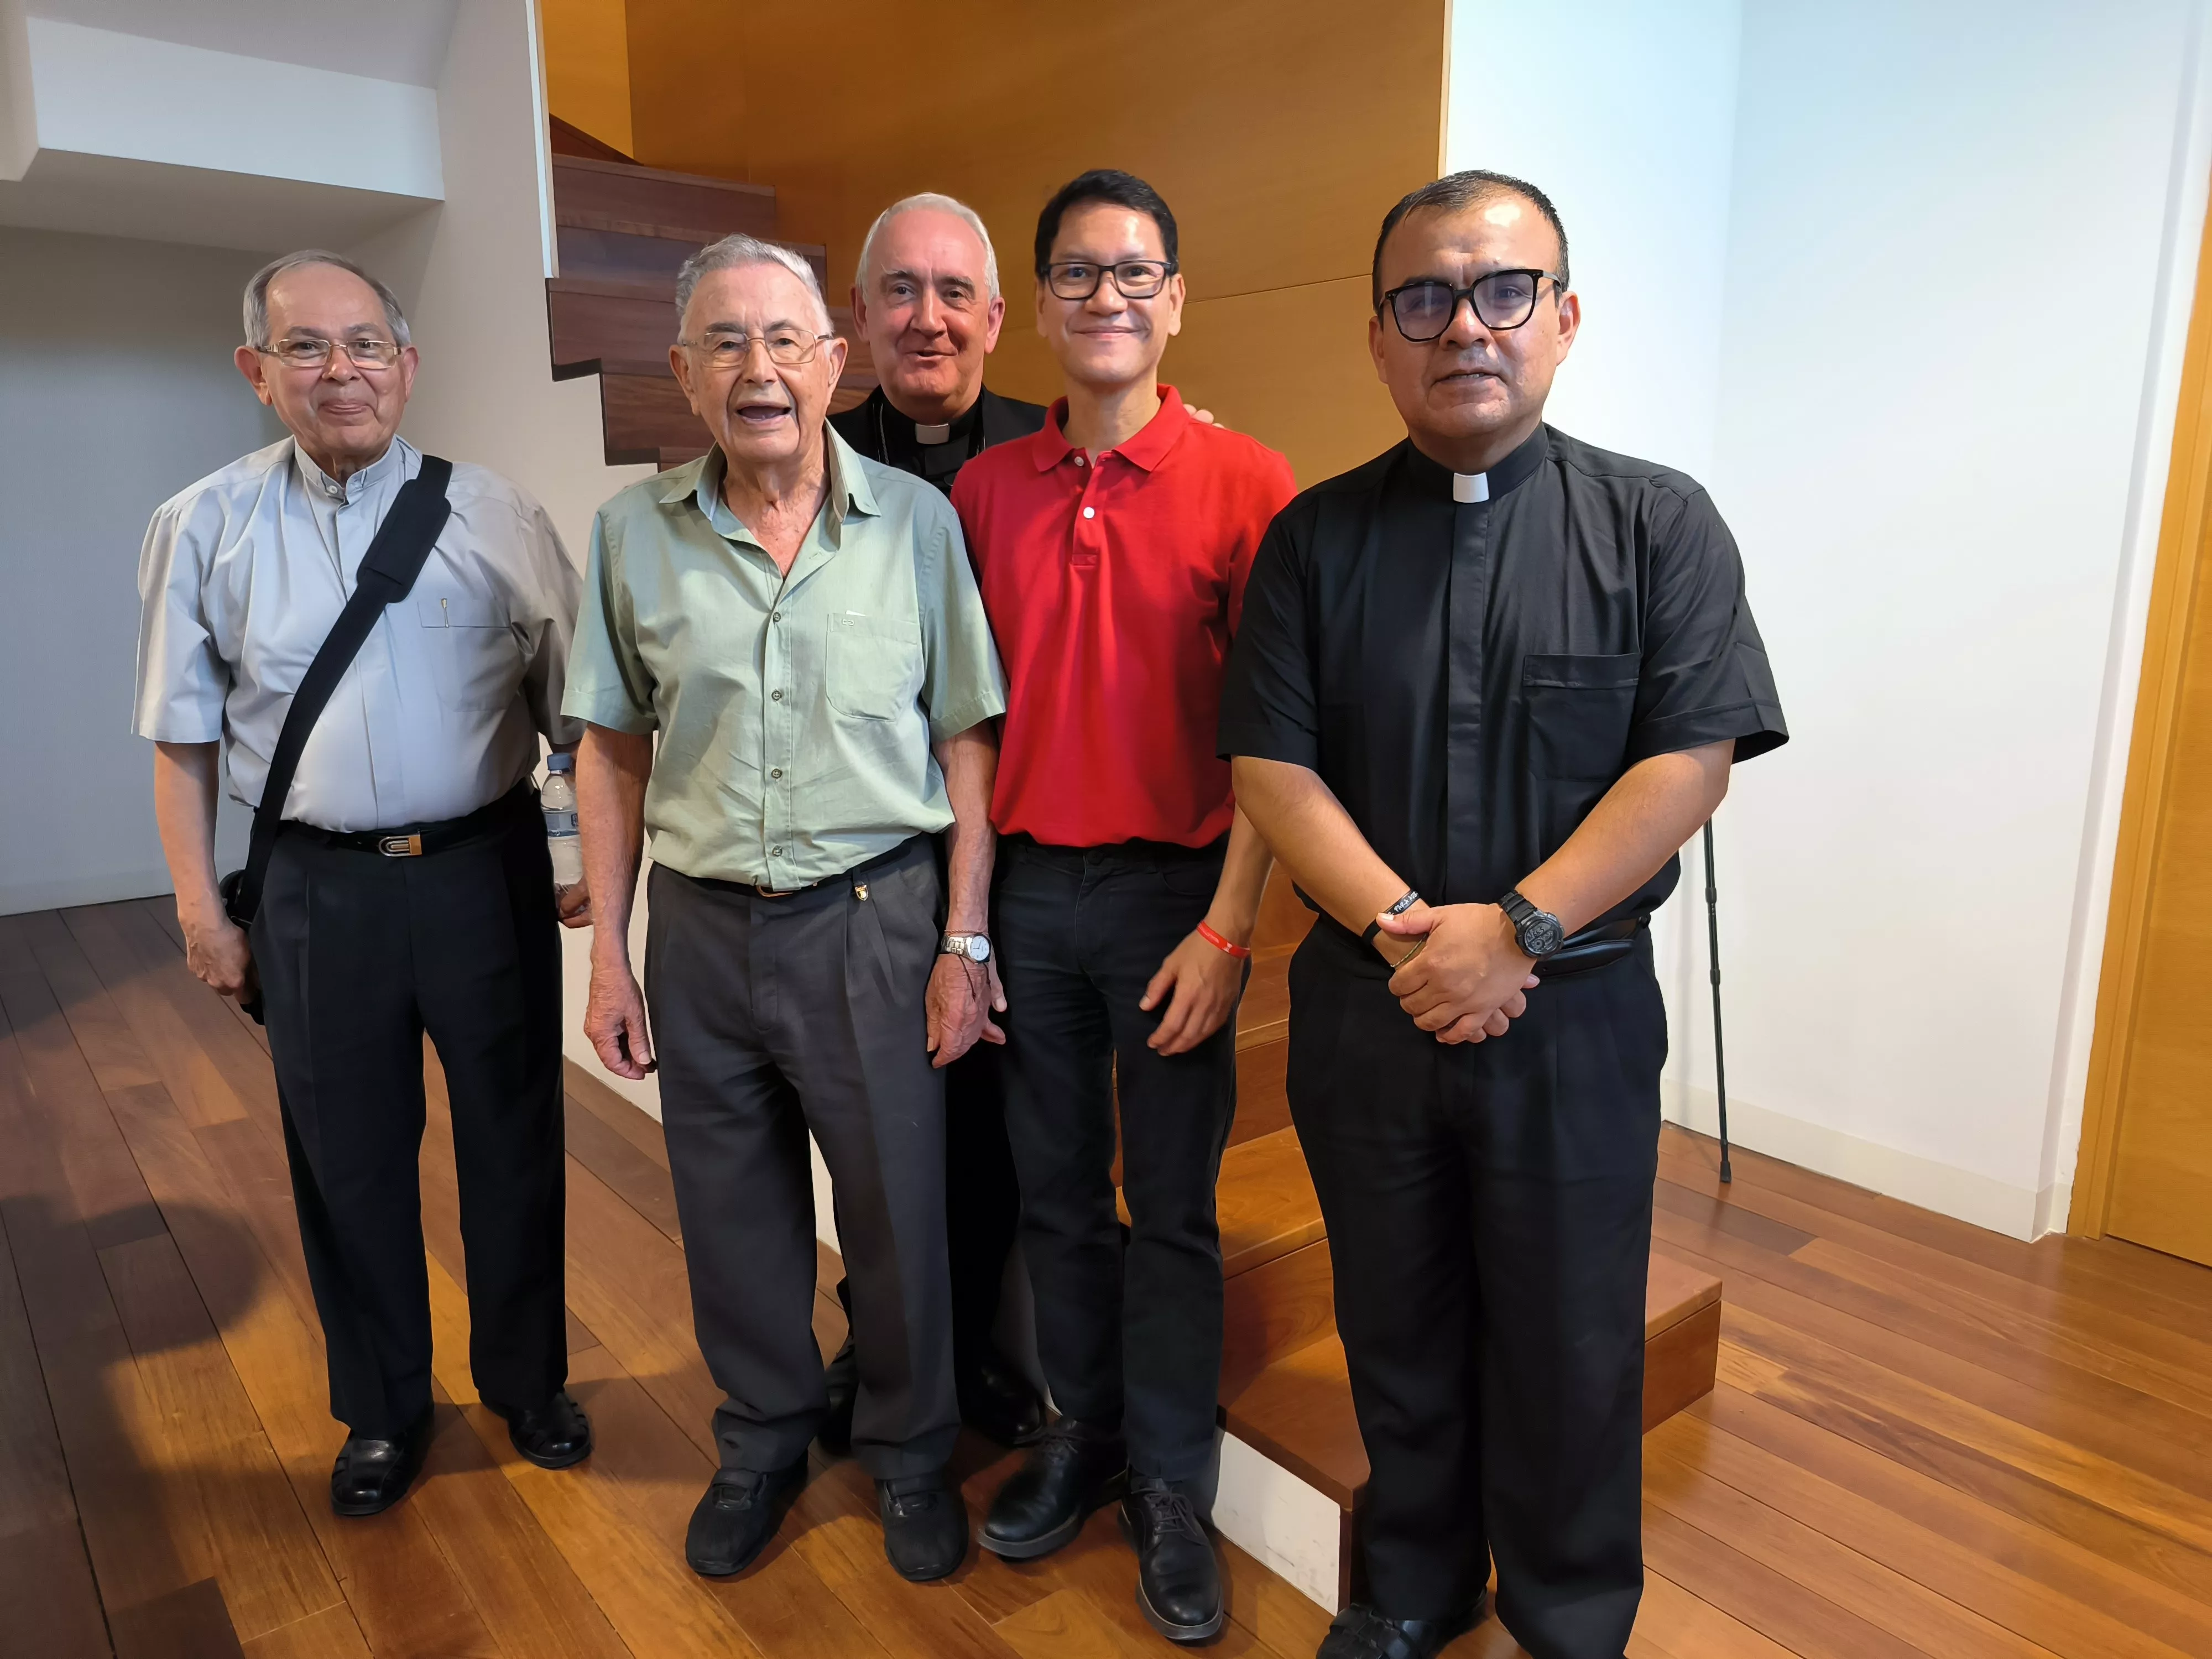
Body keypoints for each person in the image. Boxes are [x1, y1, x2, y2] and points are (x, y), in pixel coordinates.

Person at [1222, 172, 1788, 1659]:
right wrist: (1420, 932)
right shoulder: (1314, 541)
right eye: (1425, 299)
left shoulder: (1659, 525)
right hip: (1371, 1009)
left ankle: (1570, 1614)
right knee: (1396, 1325)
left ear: (1565, 316)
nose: (1464, 325)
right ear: (1379, 337)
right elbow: (1273, 768)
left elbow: (1693, 757)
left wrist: (1515, 932)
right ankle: (1412, 1588)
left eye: (1503, 290)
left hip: (1576, 1019)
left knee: (1573, 1339)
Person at [565, 232, 1006, 1585]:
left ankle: (911, 1452)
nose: (758, 369)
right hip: (697, 926)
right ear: (685, 377)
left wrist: (962, 940)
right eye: (725, 343)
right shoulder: (630, 532)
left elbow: (965, 744)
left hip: (874, 918)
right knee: (729, 1208)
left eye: (784, 342)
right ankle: (760, 1439)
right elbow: (610, 746)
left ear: (833, 363)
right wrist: (610, 965)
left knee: (893, 1212)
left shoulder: (917, 527)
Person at [134, 250, 594, 1519]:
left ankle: (526, 1380)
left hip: (480, 873)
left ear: (407, 363)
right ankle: (384, 1408)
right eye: (306, 349)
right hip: (313, 892)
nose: (341, 372)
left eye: (365, 346)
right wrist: (198, 912)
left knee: (515, 1140)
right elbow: (179, 741)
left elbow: (577, 719)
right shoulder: (204, 525)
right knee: (346, 1158)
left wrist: (575, 860)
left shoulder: (496, 515)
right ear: (257, 373)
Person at [954, 170, 1297, 1644]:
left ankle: (1170, 1482)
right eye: (1079, 274)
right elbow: (957, 721)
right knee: (1051, 1197)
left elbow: (1277, 742)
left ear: (1175, 300)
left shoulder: (1249, 485)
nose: (1107, 296)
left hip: (1176, 895)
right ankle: (1077, 1436)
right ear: (1042, 306)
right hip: (1028, 891)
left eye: (1135, 272)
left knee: (1170, 1209)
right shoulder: (984, 491)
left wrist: (1229, 930)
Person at [821, 191, 1047, 1451]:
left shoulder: (1050, 449)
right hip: (870, 857)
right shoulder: (809, 454)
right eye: (899, 291)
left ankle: (982, 1354)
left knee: (995, 1129)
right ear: (858, 317)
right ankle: (880, 1335)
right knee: (876, 1127)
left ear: (995, 319)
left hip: (1019, 848)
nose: (927, 318)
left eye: (953, 292)